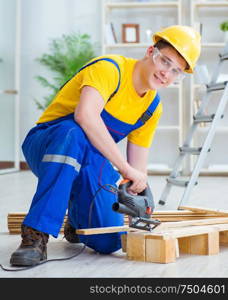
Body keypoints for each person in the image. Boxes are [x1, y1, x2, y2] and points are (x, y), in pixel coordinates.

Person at [10, 25, 201, 266]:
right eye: (165, 62)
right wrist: (124, 168)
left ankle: (78, 218)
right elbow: (86, 116)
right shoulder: (110, 69)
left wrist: (138, 193)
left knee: (109, 240)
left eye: (176, 72)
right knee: (73, 133)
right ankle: (35, 235)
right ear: (150, 51)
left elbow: (136, 167)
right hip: (49, 144)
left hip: (91, 156)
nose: (167, 74)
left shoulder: (152, 107)